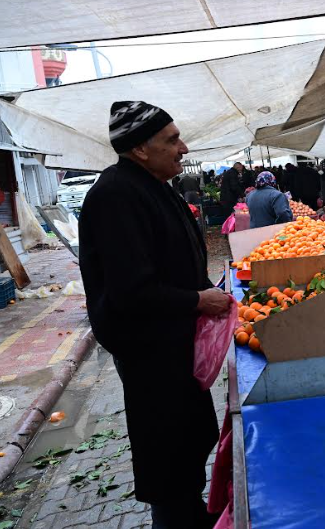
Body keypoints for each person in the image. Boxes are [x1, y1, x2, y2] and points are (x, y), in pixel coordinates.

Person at [79, 101, 228, 529]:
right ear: (141, 149)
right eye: (172, 139)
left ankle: (191, 511)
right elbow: (132, 291)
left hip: (175, 350)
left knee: (189, 443)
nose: (183, 147)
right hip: (151, 357)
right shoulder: (115, 196)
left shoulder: (154, 185)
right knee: (168, 460)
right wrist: (199, 301)